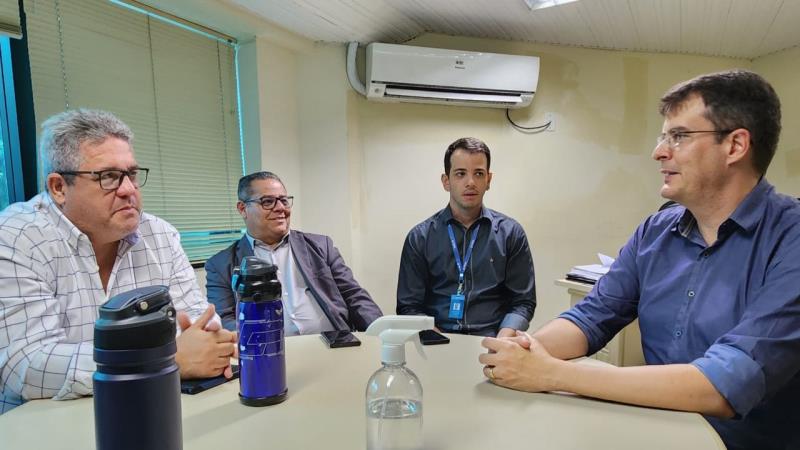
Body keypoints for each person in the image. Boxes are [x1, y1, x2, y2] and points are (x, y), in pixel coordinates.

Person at [479, 70, 800, 450]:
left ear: (735, 146)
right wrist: (526, 350)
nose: (659, 152)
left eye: (678, 136)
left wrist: (551, 374)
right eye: (663, 136)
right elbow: (592, 316)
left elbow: (727, 382)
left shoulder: (790, 238)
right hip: (657, 434)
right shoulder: (655, 232)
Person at [0, 109, 236, 414]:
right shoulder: (17, 237)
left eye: (132, 174)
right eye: (108, 177)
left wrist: (197, 346)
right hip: (44, 422)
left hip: (152, 407)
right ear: (59, 187)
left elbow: (199, 325)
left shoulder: (159, 234)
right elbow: (26, 364)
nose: (128, 190)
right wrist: (164, 359)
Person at [205, 171, 382, 334]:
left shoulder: (321, 246)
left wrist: (381, 332)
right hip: (269, 351)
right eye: (267, 202)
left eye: (283, 200)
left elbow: (353, 295)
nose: (280, 208)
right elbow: (225, 319)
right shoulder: (221, 264)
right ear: (243, 209)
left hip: (332, 343)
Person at [397, 137, 536, 337]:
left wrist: (503, 338)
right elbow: (408, 306)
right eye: (460, 174)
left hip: (491, 338)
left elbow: (523, 302)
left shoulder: (511, 234)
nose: (470, 182)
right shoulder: (420, 238)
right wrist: (435, 337)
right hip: (437, 339)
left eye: (478, 174)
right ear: (446, 181)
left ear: (488, 180)